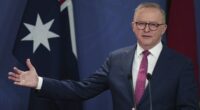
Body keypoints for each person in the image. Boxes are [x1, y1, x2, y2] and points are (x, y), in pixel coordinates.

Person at [8, 2, 199, 110]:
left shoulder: (180, 65)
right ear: (133, 27)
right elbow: (81, 90)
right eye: (141, 24)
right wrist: (39, 82)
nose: (146, 29)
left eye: (153, 25)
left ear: (163, 29)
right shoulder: (117, 60)